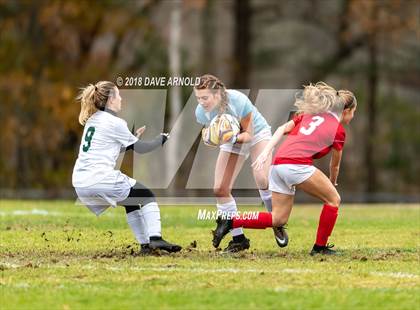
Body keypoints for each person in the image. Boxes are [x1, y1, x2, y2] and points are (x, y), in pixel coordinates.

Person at [212, 82, 357, 255]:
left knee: (278, 218)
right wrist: (332, 182)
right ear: (347, 111)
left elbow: (282, 129)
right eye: (354, 113)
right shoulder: (338, 130)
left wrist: (267, 152)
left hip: (277, 165)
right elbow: (335, 164)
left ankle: (231, 221)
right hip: (297, 166)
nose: (353, 117)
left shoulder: (309, 116)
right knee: (334, 200)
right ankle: (320, 248)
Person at [72, 81, 181, 254]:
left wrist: (132, 139)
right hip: (100, 178)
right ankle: (155, 239)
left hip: (80, 183)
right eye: (118, 95)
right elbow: (142, 149)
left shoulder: (92, 121)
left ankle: (145, 246)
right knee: (147, 196)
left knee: (131, 202)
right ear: (110, 100)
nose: (121, 98)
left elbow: (108, 146)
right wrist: (162, 139)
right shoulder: (116, 122)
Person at [194, 74, 287, 253]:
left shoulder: (238, 100)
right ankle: (239, 239)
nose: (202, 102)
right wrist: (211, 138)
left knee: (262, 179)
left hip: (256, 134)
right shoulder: (201, 112)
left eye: (205, 98)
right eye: (198, 98)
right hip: (232, 140)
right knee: (220, 189)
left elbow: (248, 135)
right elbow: (211, 134)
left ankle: (277, 221)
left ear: (217, 94)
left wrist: (231, 137)